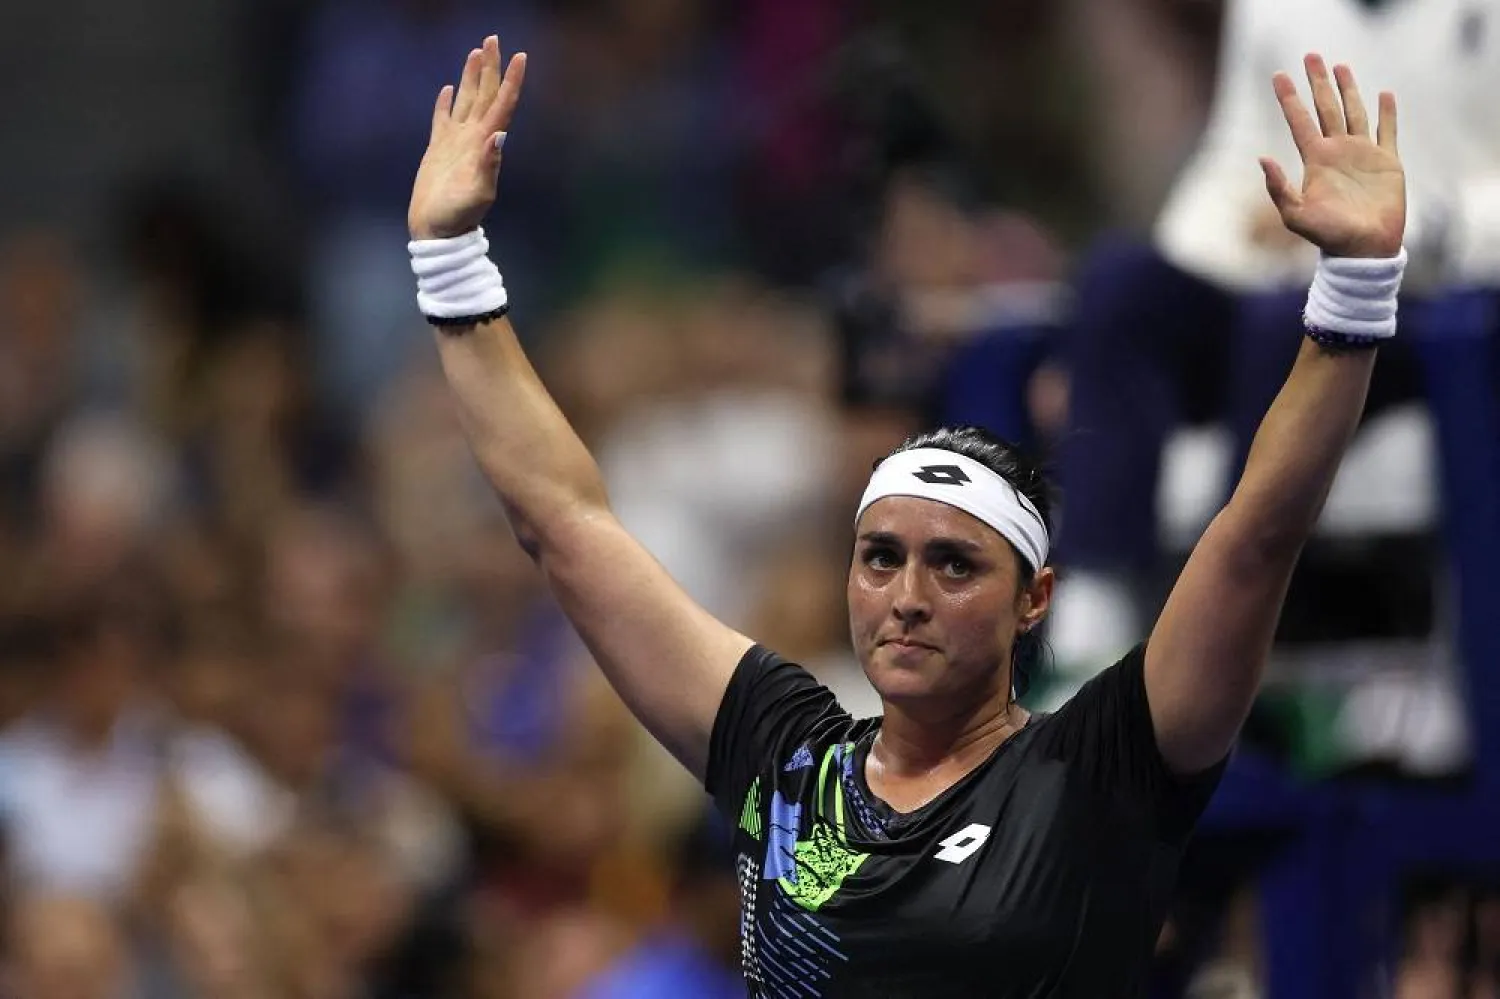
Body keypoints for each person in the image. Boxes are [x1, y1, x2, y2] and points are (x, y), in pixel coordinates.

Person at [404, 36, 1407, 996]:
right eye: (879, 558)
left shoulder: (1099, 767)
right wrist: (451, 265)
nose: (908, 597)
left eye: (956, 566)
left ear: (1034, 602)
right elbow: (567, 524)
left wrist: (1355, 292)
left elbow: (1253, 538)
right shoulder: (784, 753)